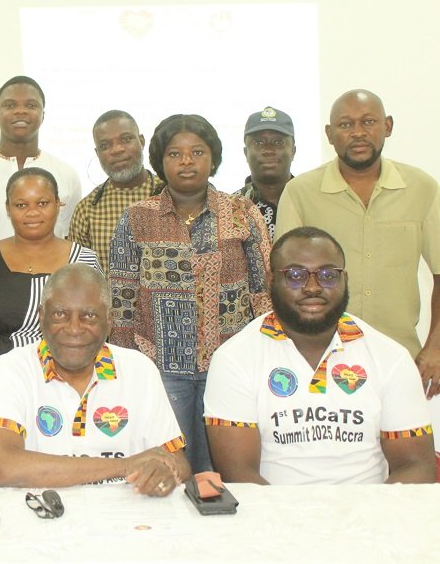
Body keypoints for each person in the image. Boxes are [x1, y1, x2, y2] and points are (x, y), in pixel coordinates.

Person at [204, 227, 435, 484]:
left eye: (328, 275)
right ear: (271, 281)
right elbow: (240, 476)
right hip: (273, 508)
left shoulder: (390, 357)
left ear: (345, 280)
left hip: (368, 507)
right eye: (295, 275)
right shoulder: (234, 359)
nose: (313, 287)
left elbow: (416, 466)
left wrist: (365, 510)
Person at [108, 114, 272, 473]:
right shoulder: (136, 218)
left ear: (213, 158)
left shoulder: (243, 213)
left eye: (197, 152)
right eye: (174, 154)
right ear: (159, 161)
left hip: (231, 366)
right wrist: (125, 369)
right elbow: (121, 300)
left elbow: (264, 292)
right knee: (170, 470)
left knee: (227, 472)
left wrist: (266, 357)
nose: (186, 161)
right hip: (160, 368)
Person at [275, 89, 440, 397]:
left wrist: (436, 347)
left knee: (407, 430)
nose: (358, 132)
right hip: (319, 360)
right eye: (346, 124)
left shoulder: (422, 188)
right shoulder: (301, 192)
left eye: (368, 121)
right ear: (329, 134)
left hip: (399, 359)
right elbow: (284, 280)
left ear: (388, 126)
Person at [0, 264, 190, 493]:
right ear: (41, 318)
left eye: (89, 316)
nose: (74, 329)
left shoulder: (139, 370)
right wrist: (125, 466)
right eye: (60, 314)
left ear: (109, 321)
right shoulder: (10, 369)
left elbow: (178, 463)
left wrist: (163, 472)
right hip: (40, 511)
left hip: (125, 513)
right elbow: (5, 467)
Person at [0, 168, 100, 481]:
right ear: (8, 208)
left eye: (42, 203)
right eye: (21, 205)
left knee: (65, 474)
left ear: (59, 204)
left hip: (67, 386)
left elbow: (97, 329)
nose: (32, 212)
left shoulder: (84, 260)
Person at [0, 75, 82, 259]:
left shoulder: (67, 175)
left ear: (43, 115)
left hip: (50, 277)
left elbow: (68, 238)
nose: (20, 111)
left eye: (31, 105)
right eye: (10, 105)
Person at [68, 110, 164, 271]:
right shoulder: (86, 210)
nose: (117, 150)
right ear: (97, 153)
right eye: (105, 145)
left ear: (141, 141)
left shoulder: (172, 195)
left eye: (126, 139)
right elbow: (79, 276)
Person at [235, 106, 296, 239]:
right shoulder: (230, 209)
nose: (268, 150)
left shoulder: (310, 200)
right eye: (258, 143)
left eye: (278, 142)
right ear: (246, 153)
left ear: (293, 151)